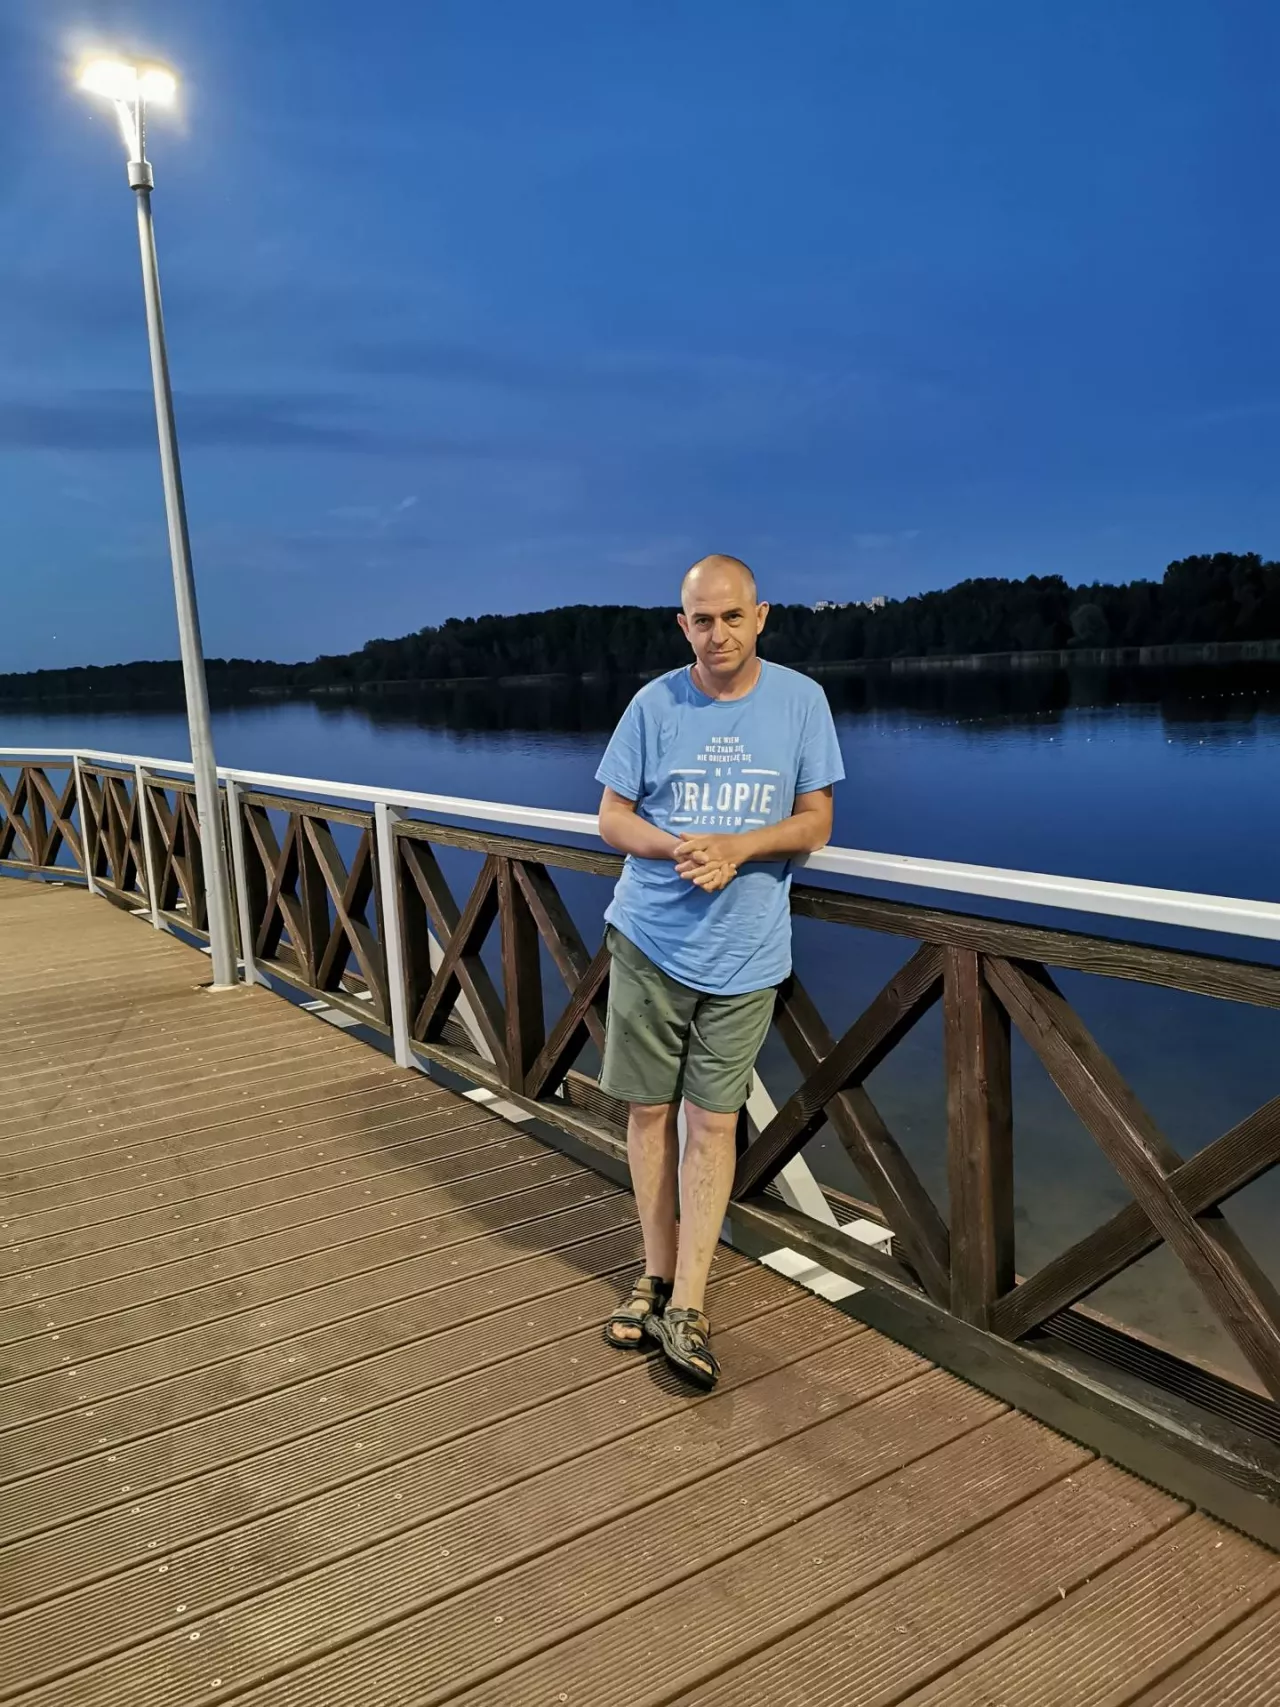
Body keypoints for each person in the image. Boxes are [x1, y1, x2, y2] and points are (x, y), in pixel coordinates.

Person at [594, 554, 844, 1389]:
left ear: (761, 616)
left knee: (712, 1122)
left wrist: (740, 846)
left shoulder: (801, 701)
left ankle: (690, 1302)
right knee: (646, 1111)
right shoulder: (654, 703)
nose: (718, 633)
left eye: (733, 616)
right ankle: (654, 1272)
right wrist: (677, 847)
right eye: (701, 619)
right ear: (683, 625)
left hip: (745, 952)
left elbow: (816, 820)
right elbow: (612, 816)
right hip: (650, 939)